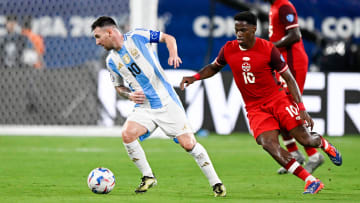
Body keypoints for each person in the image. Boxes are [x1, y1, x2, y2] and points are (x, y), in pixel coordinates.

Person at [180, 11, 342, 194]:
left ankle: (324, 144)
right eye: (236, 30)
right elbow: (213, 67)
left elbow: (289, 78)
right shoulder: (229, 49)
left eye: (243, 30)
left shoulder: (267, 49)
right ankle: (311, 181)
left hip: (278, 99)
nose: (239, 34)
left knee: (306, 139)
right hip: (255, 108)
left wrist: (301, 108)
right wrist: (194, 77)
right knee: (268, 144)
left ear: (253, 29)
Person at [91, 16, 226, 197]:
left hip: (166, 101)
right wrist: (129, 95)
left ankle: (216, 183)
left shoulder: (137, 36)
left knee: (188, 144)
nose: (97, 42)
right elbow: (118, 87)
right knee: (127, 134)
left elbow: (168, 38)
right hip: (144, 107)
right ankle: (148, 176)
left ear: (109, 32)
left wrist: (173, 53)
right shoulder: (111, 61)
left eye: (98, 37)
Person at [264, 0, 324, 175]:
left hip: (292, 62)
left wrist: (270, 47)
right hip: (281, 61)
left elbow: (295, 35)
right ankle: (295, 154)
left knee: (288, 107)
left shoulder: (284, 6)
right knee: (279, 109)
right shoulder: (275, 6)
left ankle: (313, 155)